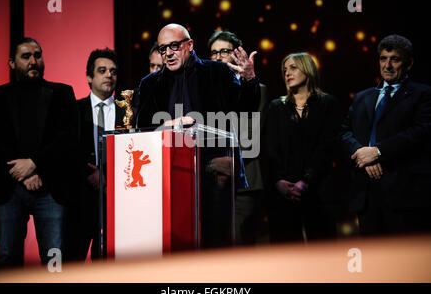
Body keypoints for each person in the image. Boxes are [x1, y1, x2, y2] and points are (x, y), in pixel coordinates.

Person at [135, 23, 261, 248]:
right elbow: (142, 130)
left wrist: (250, 80)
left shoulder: (217, 72)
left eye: (174, 46)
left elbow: (246, 109)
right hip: (169, 179)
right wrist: (168, 125)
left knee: (216, 246)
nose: (168, 53)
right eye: (163, 49)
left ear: (190, 44)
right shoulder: (150, 84)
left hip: (215, 176)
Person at [0, 37, 79, 268]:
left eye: (37, 55)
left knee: (54, 260)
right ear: (12, 63)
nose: (33, 61)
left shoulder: (63, 93)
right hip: (9, 186)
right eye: (26, 56)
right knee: (7, 257)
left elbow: (68, 138)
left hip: (51, 187)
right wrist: (22, 172)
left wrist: (35, 164)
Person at [341, 34, 431, 235]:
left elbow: (421, 131)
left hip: (404, 193)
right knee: (374, 258)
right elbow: (344, 132)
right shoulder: (362, 97)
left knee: (404, 258)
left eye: (395, 59)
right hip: (366, 192)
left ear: (408, 64)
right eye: (383, 58)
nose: (388, 65)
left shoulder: (423, 94)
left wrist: (379, 152)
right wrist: (363, 154)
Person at [263, 52, 341, 243]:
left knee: (323, 252)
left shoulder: (327, 104)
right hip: (283, 193)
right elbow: (269, 148)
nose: (287, 73)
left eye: (293, 68)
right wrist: (278, 181)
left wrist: (307, 180)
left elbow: (327, 146)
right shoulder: (275, 107)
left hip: (318, 191)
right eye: (284, 70)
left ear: (308, 69)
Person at [207, 30, 269, 245]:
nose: (217, 56)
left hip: (245, 182)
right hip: (213, 181)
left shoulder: (256, 89)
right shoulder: (208, 92)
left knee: (240, 243)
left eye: (223, 51)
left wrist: (228, 160)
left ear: (235, 55)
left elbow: (254, 136)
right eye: (213, 52)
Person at [65, 48, 125, 261]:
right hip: (80, 200)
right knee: (72, 263)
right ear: (89, 77)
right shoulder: (72, 109)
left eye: (113, 71)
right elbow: (65, 149)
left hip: (117, 200)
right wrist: (87, 173)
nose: (109, 75)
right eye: (102, 70)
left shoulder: (127, 112)